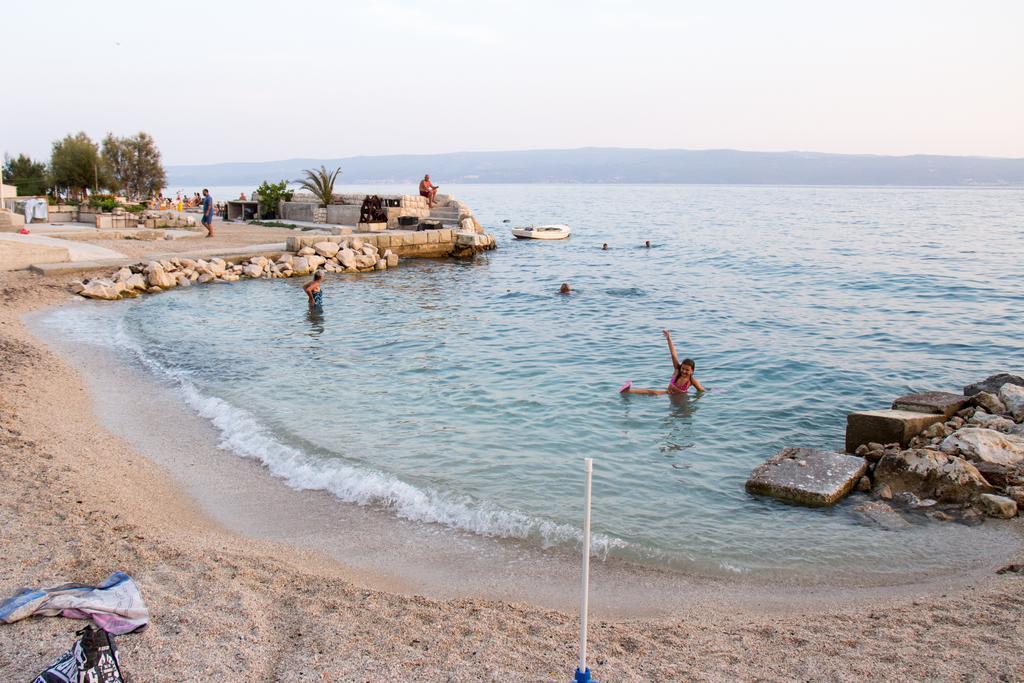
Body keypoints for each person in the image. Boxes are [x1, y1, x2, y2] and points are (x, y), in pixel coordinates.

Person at [620, 329, 705, 395]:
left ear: (692, 371)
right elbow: (673, 354)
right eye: (683, 368)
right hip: (669, 394)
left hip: (681, 398)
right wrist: (668, 339)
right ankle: (628, 391)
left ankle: (628, 391)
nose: (684, 371)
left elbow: (701, 391)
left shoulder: (692, 380)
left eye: (687, 370)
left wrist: (693, 400)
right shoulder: (677, 370)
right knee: (652, 392)